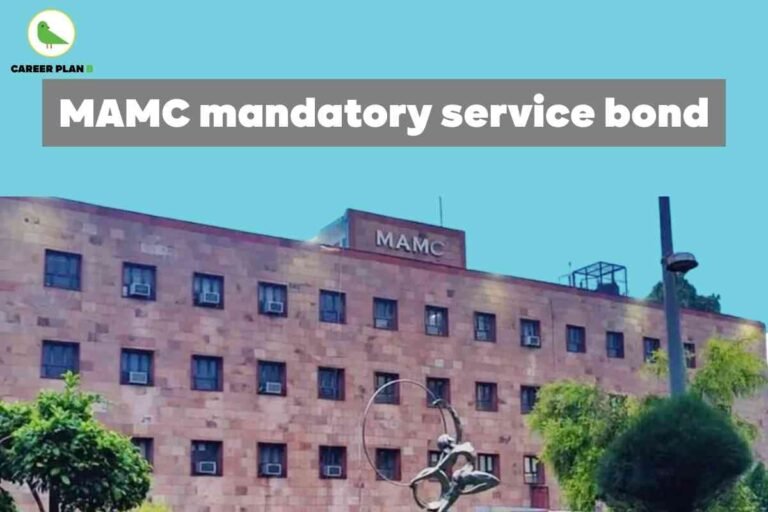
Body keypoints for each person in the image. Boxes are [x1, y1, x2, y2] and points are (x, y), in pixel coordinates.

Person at [409, 399, 500, 511]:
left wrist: (447, 406)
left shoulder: (457, 447)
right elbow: (435, 470)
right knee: (493, 481)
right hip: (462, 477)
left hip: (463, 477)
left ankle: (462, 493)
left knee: (493, 481)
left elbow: (457, 424)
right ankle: (459, 495)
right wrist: (416, 479)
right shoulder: (455, 451)